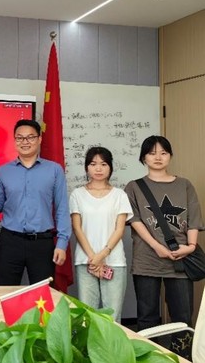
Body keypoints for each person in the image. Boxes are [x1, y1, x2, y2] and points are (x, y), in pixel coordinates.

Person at [125, 135, 203, 359]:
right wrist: (156, 246)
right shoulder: (134, 187)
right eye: (152, 153)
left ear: (170, 156)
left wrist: (191, 246)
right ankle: (150, 358)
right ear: (143, 157)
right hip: (146, 260)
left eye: (163, 152)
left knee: (182, 316)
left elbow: (194, 218)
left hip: (180, 260)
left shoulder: (184, 184)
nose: (158, 157)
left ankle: (181, 358)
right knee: (147, 316)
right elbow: (134, 219)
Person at [0, 119, 71, 285]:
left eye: (30, 137)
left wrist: (62, 243)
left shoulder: (54, 170)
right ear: (15, 140)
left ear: (39, 139)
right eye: (20, 138)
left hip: (42, 243)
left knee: (42, 295)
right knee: (6, 293)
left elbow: (62, 208)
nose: (25, 142)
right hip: (10, 242)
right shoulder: (3, 171)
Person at [69, 146, 132, 322]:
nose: (98, 168)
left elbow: (120, 229)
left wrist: (102, 255)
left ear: (110, 167)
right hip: (86, 261)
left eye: (103, 164)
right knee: (87, 316)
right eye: (93, 164)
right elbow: (77, 228)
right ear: (86, 167)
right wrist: (93, 258)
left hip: (114, 261)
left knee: (112, 316)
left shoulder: (119, 195)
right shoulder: (77, 194)